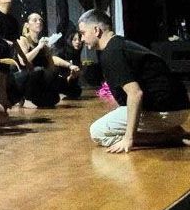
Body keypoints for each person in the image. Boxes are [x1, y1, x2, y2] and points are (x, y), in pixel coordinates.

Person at [79, 9, 190, 153]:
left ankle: (171, 136)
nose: (81, 39)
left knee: (98, 132)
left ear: (96, 30)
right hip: (178, 107)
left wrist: (129, 138)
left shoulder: (112, 52)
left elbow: (135, 94)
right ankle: (170, 130)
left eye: (83, 33)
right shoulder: (121, 44)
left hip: (167, 110)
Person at [15, 12, 77, 107]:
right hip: (25, 76)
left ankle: (39, 97)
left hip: (40, 78)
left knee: (70, 92)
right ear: (27, 25)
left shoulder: (42, 42)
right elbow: (23, 61)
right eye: (35, 20)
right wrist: (38, 47)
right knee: (38, 70)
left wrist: (48, 52)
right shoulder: (22, 39)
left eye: (40, 20)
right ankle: (26, 98)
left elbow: (51, 66)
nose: (39, 22)